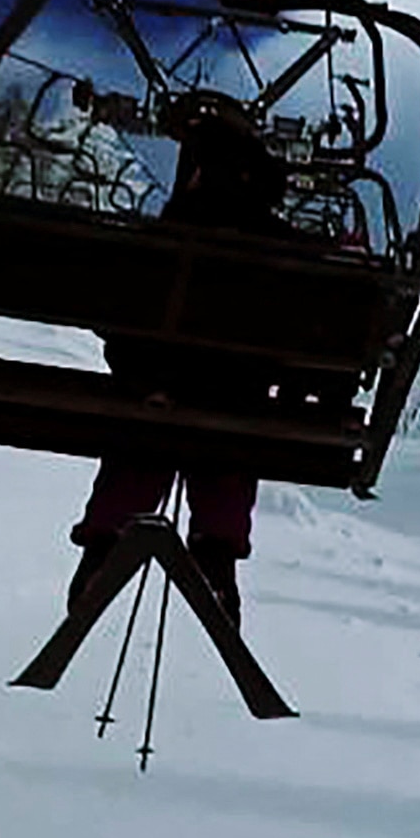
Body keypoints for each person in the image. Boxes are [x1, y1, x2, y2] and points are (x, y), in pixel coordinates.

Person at [67, 98, 290, 625]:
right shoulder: (283, 249)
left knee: (142, 434)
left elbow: (112, 314)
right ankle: (216, 561)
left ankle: (101, 548)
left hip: (150, 384)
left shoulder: (159, 239)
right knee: (227, 444)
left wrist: (142, 366)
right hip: (233, 394)